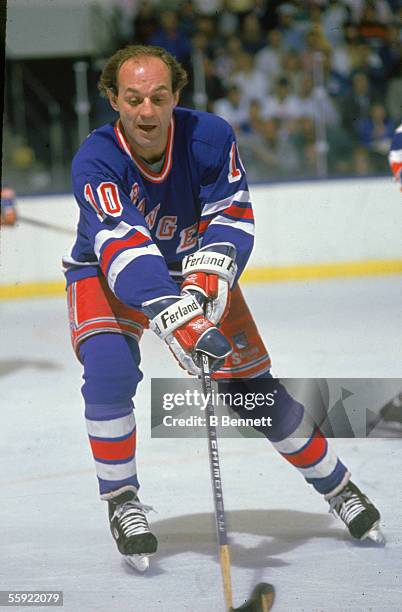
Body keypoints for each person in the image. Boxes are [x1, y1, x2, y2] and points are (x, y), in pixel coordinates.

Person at [64, 44, 384, 572]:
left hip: (195, 271)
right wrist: (176, 316)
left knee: (255, 394)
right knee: (109, 371)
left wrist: (208, 282)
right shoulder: (95, 160)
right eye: (134, 98)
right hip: (108, 274)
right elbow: (123, 249)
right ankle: (122, 500)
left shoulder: (211, 137)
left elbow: (232, 216)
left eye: (159, 98)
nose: (147, 111)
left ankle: (338, 487)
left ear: (176, 97)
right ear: (113, 100)